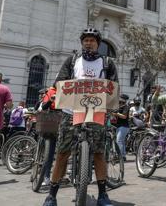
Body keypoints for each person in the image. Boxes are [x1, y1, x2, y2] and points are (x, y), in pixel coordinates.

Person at [43, 28, 118, 206]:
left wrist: (114, 102)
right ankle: (51, 195)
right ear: (81, 43)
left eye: (92, 40)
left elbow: (113, 87)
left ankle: (102, 195)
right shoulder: (72, 60)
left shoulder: (107, 63)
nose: (88, 43)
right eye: (85, 40)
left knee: (99, 153)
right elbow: (59, 82)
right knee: (62, 152)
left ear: (98, 44)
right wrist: (54, 94)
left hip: (96, 111)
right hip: (71, 112)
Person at [112, 94, 130, 161]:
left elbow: (124, 116)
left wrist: (116, 114)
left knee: (119, 141)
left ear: (124, 99)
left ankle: (119, 156)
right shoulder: (119, 106)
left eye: (121, 98)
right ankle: (123, 156)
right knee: (122, 141)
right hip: (119, 126)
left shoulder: (126, 107)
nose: (120, 99)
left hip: (124, 126)